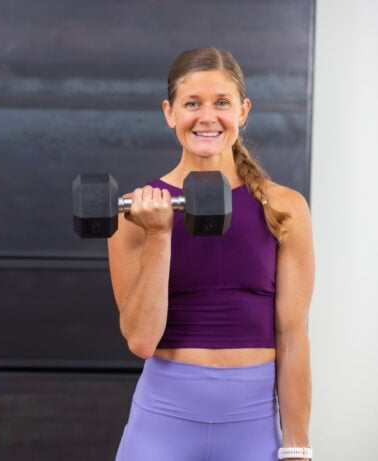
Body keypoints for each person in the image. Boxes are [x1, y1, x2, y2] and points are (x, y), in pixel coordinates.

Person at [108, 47, 314, 461]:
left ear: (243, 111)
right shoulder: (135, 210)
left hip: (253, 428)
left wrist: (297, 448)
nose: (207, 117)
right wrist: (159, 235)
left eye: (222, 102)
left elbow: (292, 339)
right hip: (161, 426)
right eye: (192, 104)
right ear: (169, 112)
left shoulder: (284, 207)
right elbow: (142, 341)